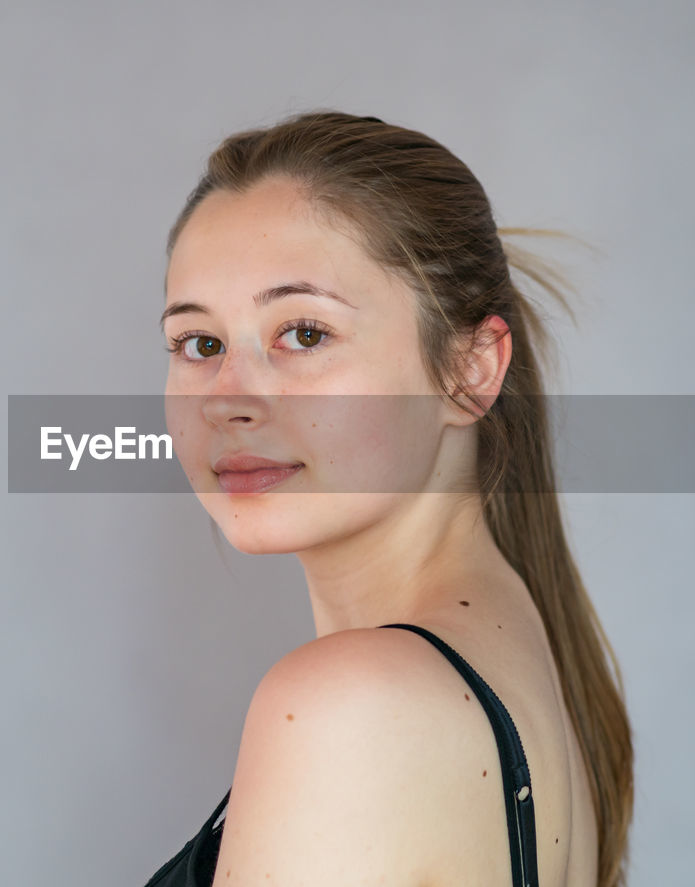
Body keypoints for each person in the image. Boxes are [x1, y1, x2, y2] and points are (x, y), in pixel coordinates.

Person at [144, 111, 633, 887]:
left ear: (469, 369)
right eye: (199, 344)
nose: (228, 399)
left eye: (302, 332)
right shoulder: (523, 658)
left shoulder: (351, 705)